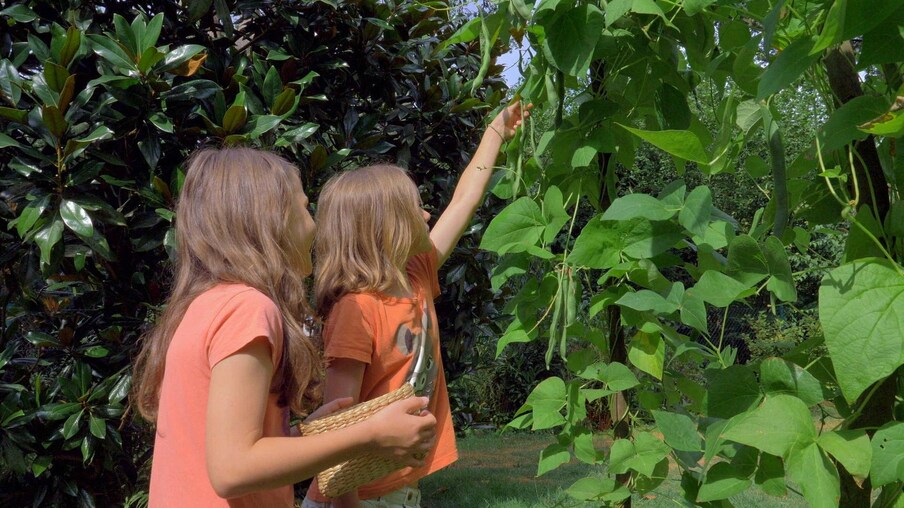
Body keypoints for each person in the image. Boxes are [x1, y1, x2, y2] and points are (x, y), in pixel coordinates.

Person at [131, 148, 437, 507]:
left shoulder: (205, 305)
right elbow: (232, 470)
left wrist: (298, 436)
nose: (314, 226)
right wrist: (368, 435)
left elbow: (225, 450)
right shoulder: (247, 309)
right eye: (305, 208)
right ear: (272, 221)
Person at [305, 101, 530, 508]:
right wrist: (347, 503)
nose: (427, 214)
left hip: (396, 488)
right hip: (355, 497)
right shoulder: (355, 311)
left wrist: (495, 132)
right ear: (386, 231)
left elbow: (465, 201)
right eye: (413, 210)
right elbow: (335, 425)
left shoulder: (416, 276)